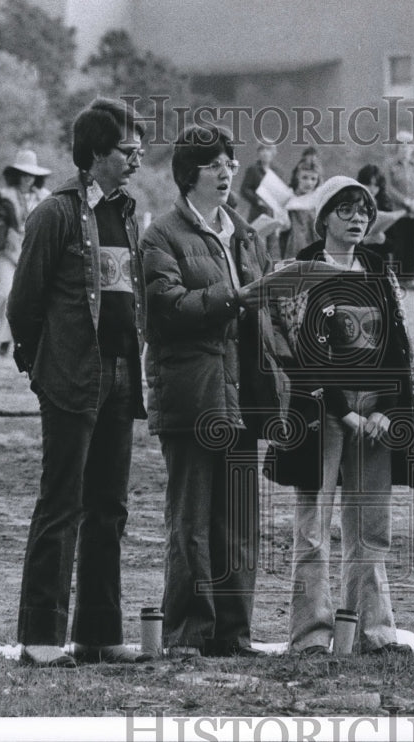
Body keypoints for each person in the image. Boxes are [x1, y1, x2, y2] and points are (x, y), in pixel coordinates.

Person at [7, 98, 150, 667]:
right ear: (95, 154)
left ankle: (97, 635)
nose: (136, 156)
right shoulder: (55, 214)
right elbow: (24, 304)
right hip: (69, 378)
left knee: (108, 508)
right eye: (126, 148)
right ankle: (41, 641)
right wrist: (40, 368)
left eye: (138, 147)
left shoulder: (128, 213)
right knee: (60, 504)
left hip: (120, 377)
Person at [266, 175, 414, 656]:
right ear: (323, 218)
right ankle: (312, 635)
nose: (358, 218)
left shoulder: (381, 270)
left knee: (370, 527)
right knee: (313, 528)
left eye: (364, 210)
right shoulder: (301, 270)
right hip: (321, 413)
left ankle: (374, 630)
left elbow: (400, 348)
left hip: (376, 412)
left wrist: (389, 409)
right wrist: (344, 410)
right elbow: (300, 349)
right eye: (346, 210)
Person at [140, 124, 285, 660]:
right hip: (192, 399)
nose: (226, 171)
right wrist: (235, 296)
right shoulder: (161, 236)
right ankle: (186, 636)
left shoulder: (246, 235)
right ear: (187, 175)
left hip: (244, 398)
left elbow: (262, 308)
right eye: (212, 164)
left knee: (239, 526)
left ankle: (234, 636)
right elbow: (167, 309)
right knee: (191, 526)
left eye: (229, 161)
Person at [0, 149, 52, 356]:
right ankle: (5, 338)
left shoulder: (46, 197)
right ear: (16, 175)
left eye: (31, 174)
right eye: (23, 174)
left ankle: (16, 340)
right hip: (8, 251)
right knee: (6, 295)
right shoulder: (3, 195)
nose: (27, 178)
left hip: (33, 252)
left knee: (30, 298)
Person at [384, 130, 414, 288]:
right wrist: (404, 200)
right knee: (398, 245)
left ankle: (410, 278)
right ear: (396, 147)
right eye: (401, 145)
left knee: (412, 245)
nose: (405, 148)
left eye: (408, 145)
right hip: (397, 212)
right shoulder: (390, 165)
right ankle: (397, 279)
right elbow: (388, 187)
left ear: (413, 148)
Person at [356, 163, 401, 268]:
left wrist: (383, 240)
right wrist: (364, 242)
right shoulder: (352, 205)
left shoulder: (385, 206)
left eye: (376, 185)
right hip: (358, 262)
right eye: (368, 184)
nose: (372, 189)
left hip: (381, 261)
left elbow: (395, 245)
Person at [282, 154, 322, 259]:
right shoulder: (288, 197)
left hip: (314, 246)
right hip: (292, 246)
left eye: (313, 179)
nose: (309, 183)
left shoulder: (318, 198)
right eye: (305, 177)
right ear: (297, 177)